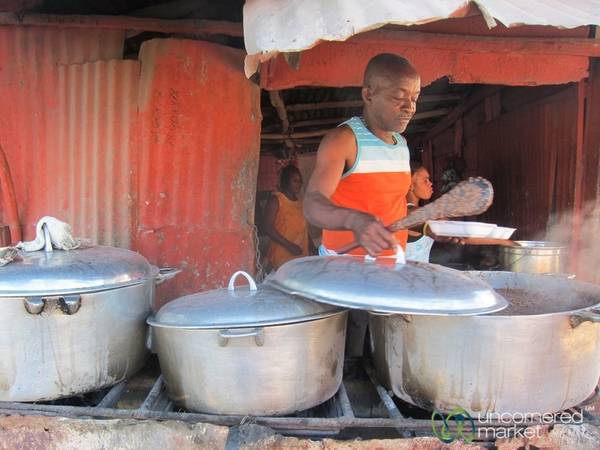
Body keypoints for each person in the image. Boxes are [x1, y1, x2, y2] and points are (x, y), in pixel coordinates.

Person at [304, 53, 420, 258]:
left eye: (414, 98)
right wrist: (356, 221)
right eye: (398, 98)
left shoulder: (402, 144)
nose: (409, 107)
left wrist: (429, 226)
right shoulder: (344, 141)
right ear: (368, 95)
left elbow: (393, 207)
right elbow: (313, 203)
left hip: (392, 267)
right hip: (342, 270)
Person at [264, 165, 313, 271]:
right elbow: (267, 228)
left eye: (300, 181)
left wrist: (312, 247)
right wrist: (290, 246)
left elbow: (303, 228)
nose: (299, 184)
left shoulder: (299, 202)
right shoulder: (276, 200)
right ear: (286, 181)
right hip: (281, 256)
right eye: (295, 181)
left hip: (301, 256)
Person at [405, 163, 435, 262]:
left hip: (419, 275)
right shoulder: (406, 213)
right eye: (425, 180)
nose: (430, 184)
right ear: (410, 186)